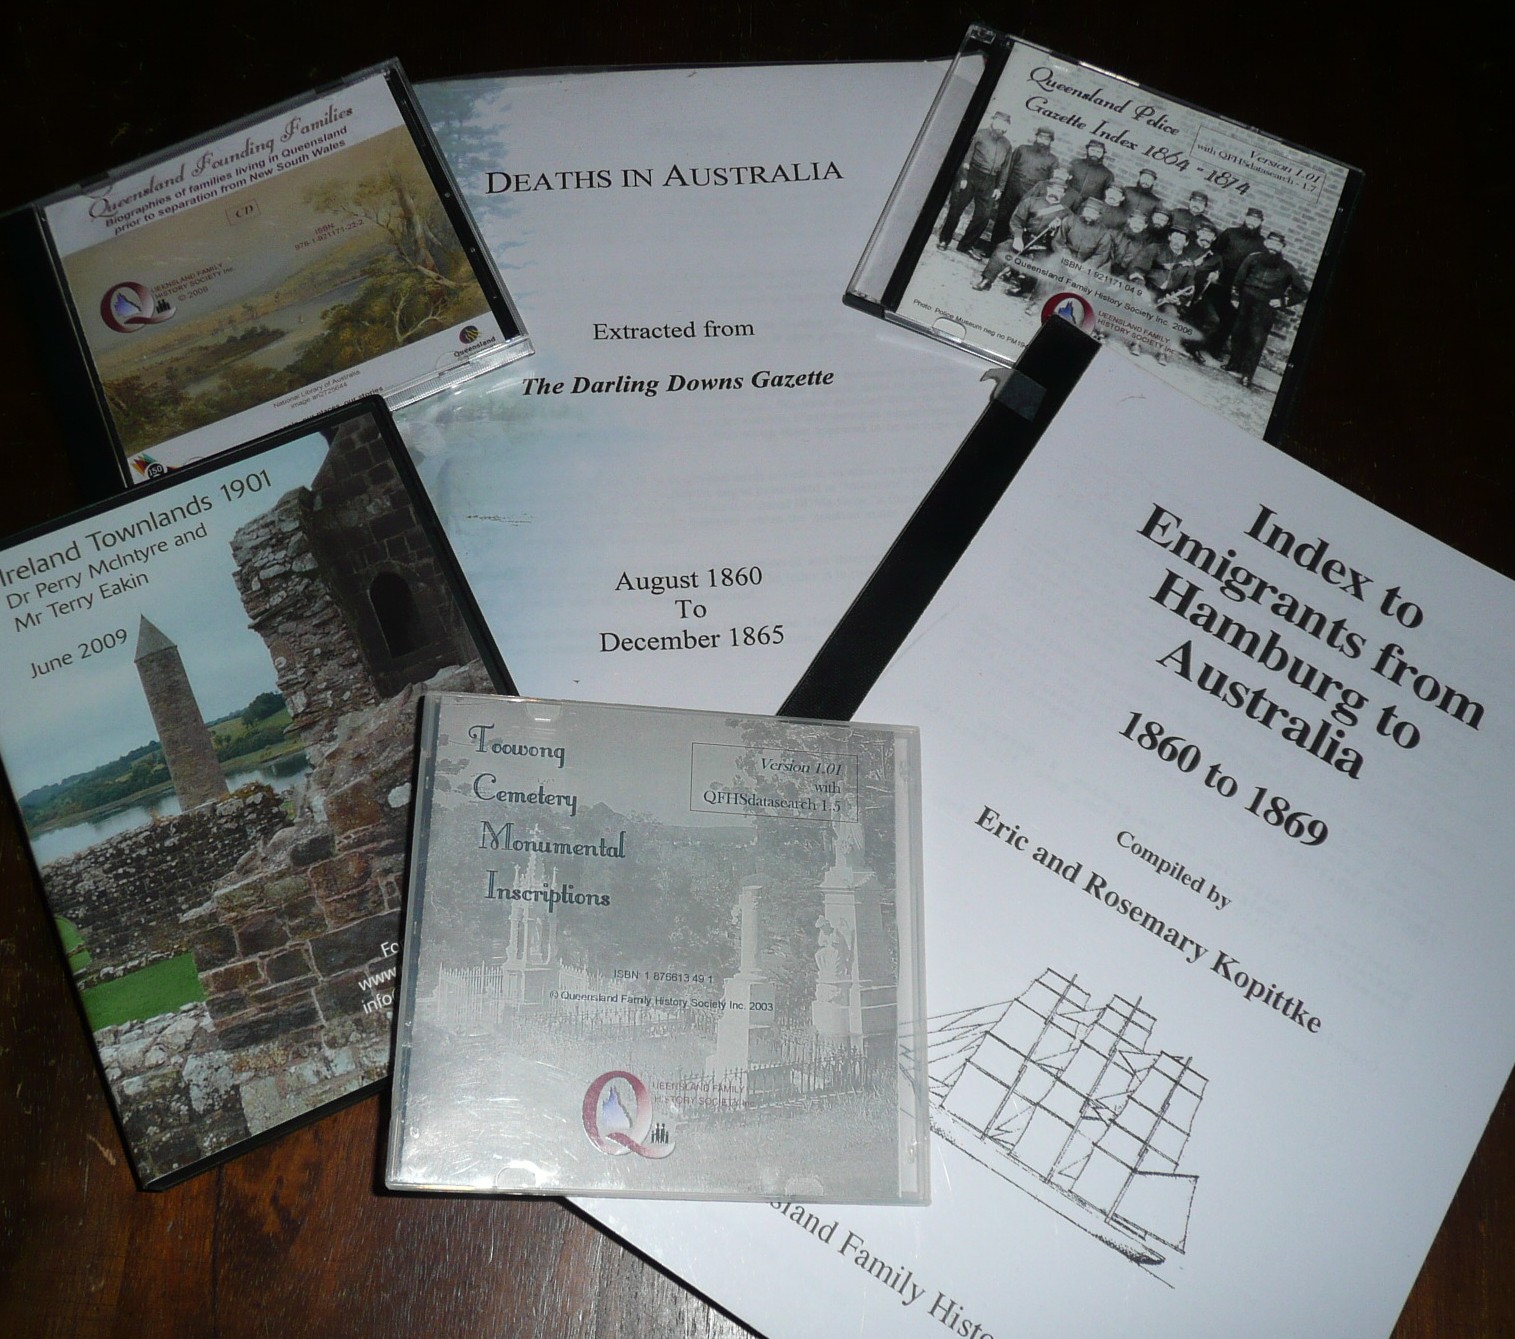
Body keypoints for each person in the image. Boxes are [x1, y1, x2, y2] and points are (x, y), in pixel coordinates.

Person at [1224, 231, 1310, 388]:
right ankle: (1234, 364)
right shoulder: (1252, 258)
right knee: (1238, 332)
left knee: (1256, 339)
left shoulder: (1287, 268)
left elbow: (1302, 291)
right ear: (1266, 243)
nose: (1273, 246)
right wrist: (1235, 297)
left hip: (1265, 306)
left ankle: (1247, 375)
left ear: (1282, 247)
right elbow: (1239, 278)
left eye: (1278, 244)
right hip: (1246, 300)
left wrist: (1283, 301)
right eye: (1271, 242)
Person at [973, 179, 1069, 294]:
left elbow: (1065, 235)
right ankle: (987, 280)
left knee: (1041, 264)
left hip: (1042, 245)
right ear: (1048, 189)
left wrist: (1058, 228)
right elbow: (1016, 221)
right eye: (1053, 189)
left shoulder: (1066, 213)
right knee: (1003, 248)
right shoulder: (1031, 202)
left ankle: (1022, 289)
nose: (1055, 193)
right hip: (1024, 237)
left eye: (1059, 191)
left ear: (1063, 195)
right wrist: (1018, 238)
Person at [937, 110, 1014, 252]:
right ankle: (944, 240)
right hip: (972, 174)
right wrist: (963, 177)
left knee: (984, 215)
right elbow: (966, 156)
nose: (1001, 127)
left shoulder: (1007, 145)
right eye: (999, 122)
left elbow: (1005, 169)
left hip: (990, 181)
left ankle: (965, 246)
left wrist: (999, 188)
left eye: (1004, 124)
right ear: (993, 121)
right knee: (956, 209)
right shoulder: (979, 135)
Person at [1200, 205, 1268, 360]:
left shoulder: (1262, 244)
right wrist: (1214, 271)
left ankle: (1215, 349)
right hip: (1219, 279)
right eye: (1250, 218)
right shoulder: (1230, 233)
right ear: (1245, 218)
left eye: (1256, 220)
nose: (1252, 222)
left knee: (1229, 318)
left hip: (1239, 287)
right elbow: (1216, 252)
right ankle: (1197, 343)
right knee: (1210, 312)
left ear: (1261, 222)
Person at [986, 126, 1059, 250]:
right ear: (1036, 137)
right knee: (1003, 219)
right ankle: (992, 249)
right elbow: (1008, 168)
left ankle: (1009, 251)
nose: (1042, 141)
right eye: (1040, 137)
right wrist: (1002, 188)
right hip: (1012, 190)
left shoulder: (1052, 160)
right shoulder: (1022, 149)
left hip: (1031, 196)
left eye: (1046, 139)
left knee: (1021, 223)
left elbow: (1049, 183)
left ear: (1050, 141)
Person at [1066, 139, 1114, 206]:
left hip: (1088, 207)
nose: (1095, 154)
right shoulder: (1076, 163)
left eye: (1098, 152)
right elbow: (1065, 180)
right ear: (1087, 150)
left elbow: (1106, 196)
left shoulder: (1107, 174)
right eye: (1092, 150)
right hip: (1068, 200)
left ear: (1102, 154)